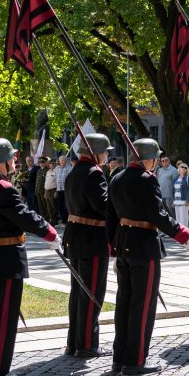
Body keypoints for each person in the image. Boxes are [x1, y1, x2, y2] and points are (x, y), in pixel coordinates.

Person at [0, 137, 60, 376]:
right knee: (2, 321)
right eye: (12, 157)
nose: (15, 161)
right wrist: (50, 233)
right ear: (1, 160)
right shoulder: (3, 188)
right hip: (6, 259)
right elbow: (25, 216)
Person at [107, 138, 189, 374]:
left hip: (124, 243)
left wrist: (113, 247)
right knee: (142, 304)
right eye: (155, 158)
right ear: (149, 158)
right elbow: (157, 215)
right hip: (143, 246)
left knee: (124, 302)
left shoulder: (116, 177)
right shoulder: (147, 181)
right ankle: (135, 360)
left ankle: (120, 357)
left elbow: (110, 217)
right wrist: (183, 233)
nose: (156, 162)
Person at [63, 134, 114, 358]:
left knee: (78, 293)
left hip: (76, 237)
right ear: (96, 153)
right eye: (105, 151)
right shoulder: (94, 174)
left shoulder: (74, 171)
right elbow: (104, 207)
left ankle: (74, 342)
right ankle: (86, 344)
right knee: (91, 293)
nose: (107, 155)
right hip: (92, 239)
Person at [173, 163, 189, 228]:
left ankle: (185, 235)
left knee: (183, 220)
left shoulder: (188, 178)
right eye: (182, 166)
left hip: (184, 202)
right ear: (179, 168)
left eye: (185, 167)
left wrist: (188, 200)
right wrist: (173, 201)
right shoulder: (176, 178)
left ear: (186, 170)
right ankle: (180, 235)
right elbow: (173, 190)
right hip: (176, 202)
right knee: (178, 220)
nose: (184, 168)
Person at [54, 155, 72, 225]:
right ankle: (63, 219)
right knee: (60, 205)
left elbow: (71, 180)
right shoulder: (57, 168)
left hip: (66, 190)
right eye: (62, 160)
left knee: (66, 205)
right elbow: (56, 179)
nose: (63, 161)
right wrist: (55, 190)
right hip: (59, 189)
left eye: (64, 160)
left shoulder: (69, 168)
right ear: (59, 161)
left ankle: (67, 219)